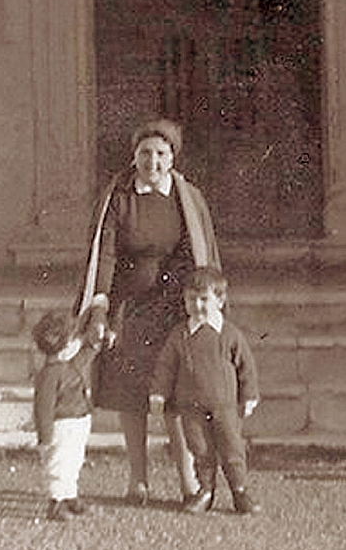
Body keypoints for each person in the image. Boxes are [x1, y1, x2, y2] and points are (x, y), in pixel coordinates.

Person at [78, 118, 216, 507]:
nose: (152, 161)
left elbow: (197, 253)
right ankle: (138, 480)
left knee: (177, 396)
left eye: (160, 153)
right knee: (130, 394)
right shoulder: (119, 198)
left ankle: (190, 482)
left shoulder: (187, 198)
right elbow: (104, 253)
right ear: (133, 156)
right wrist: (101, 303)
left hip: (173, 308)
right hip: (131, 308)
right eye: (145, 153)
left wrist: (193, 303)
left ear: (172, 157)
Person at [150, 267, 262, 515]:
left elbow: (246, 366)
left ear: (220, 301)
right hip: (191, 408)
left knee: (232, 448)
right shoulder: (180, 335)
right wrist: (158, 393)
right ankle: (206, 491)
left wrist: (249, 395)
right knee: (200, 450)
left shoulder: (229, 335)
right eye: (192, 299)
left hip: (225, 407)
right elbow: (166, 366)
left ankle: (240, 491)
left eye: (204, 300)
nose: (198, 306)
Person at [31, 309, 96, 521]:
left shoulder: (68, 365)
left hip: (78, 421)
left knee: (74, 460)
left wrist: (97, 342)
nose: (77, 342)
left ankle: (69, 494)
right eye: (73, 339)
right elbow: (43, 408)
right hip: (62, 425)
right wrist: (45, 437)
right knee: (59, 462)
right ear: (64, 346)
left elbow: (87, 355)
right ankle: (56, 500)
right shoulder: (49, 375)